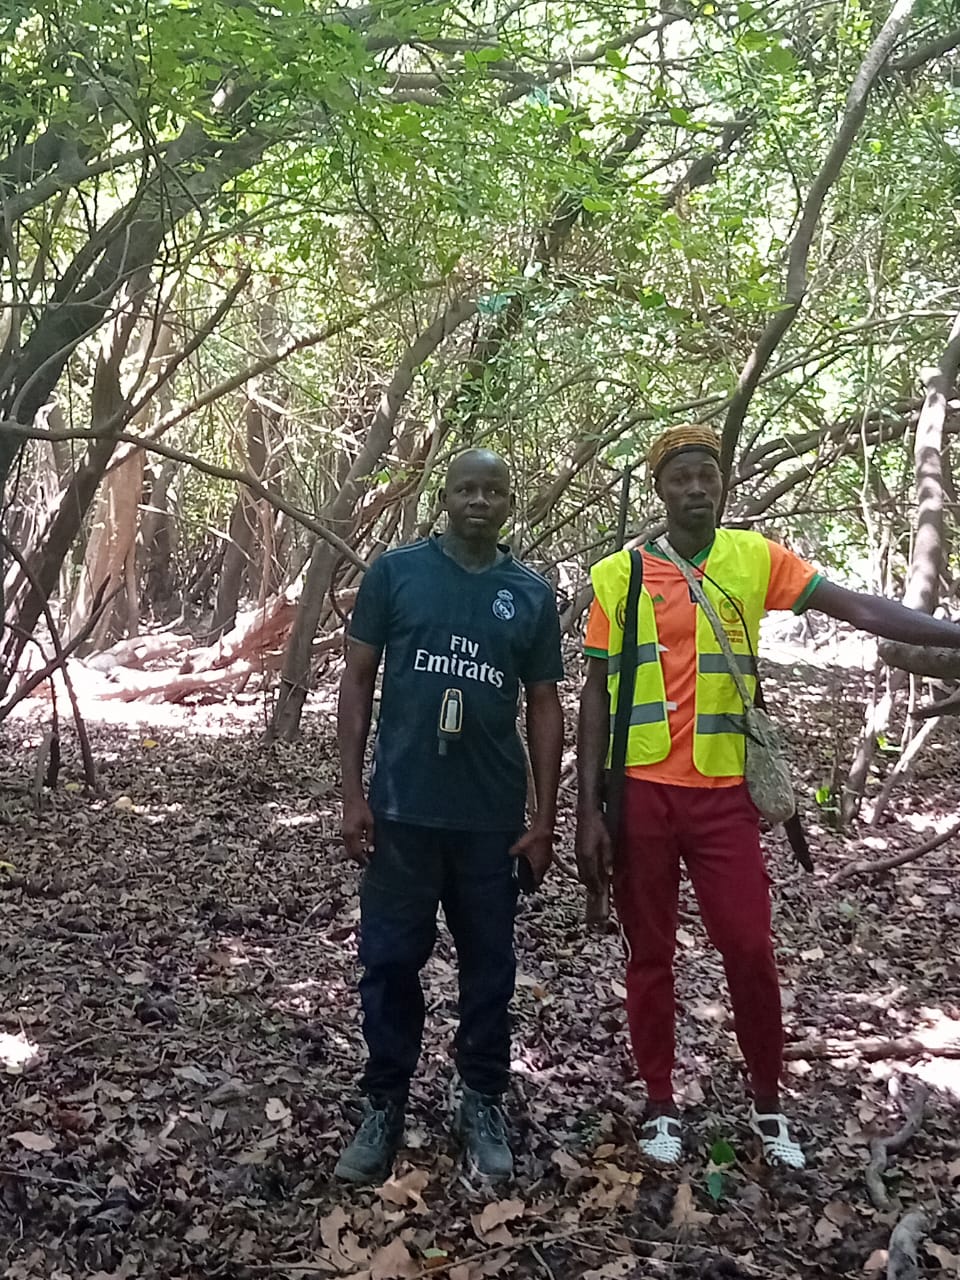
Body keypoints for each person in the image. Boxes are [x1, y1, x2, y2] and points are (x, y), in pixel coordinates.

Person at [575, 423, 960, 1169]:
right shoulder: (617, 576)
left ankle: (766, 1098)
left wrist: (950, 635)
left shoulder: (755, 559)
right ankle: (660, 1101)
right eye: (681, 478)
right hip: (642, 794)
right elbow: (596, 692)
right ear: (659, 491)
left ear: (722, 487)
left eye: (707, 477)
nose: (696, 489)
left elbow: (858, 609)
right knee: (649, 952)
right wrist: (588, 809)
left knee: (749, 948)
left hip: (725, 797)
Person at [336, 448, 564, 1185]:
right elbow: (358, 679)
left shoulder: (529, 595)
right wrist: (352, 794)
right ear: (445, 497)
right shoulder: (396, 573)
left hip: (491, 820)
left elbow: (544, 704)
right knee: (390, 962)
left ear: (509, 503)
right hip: (403, 811)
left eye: (493, 490)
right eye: (466, 488)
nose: (479, 501)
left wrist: (544, 817)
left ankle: (481, 1102)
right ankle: (384, 1104)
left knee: (490, 969)